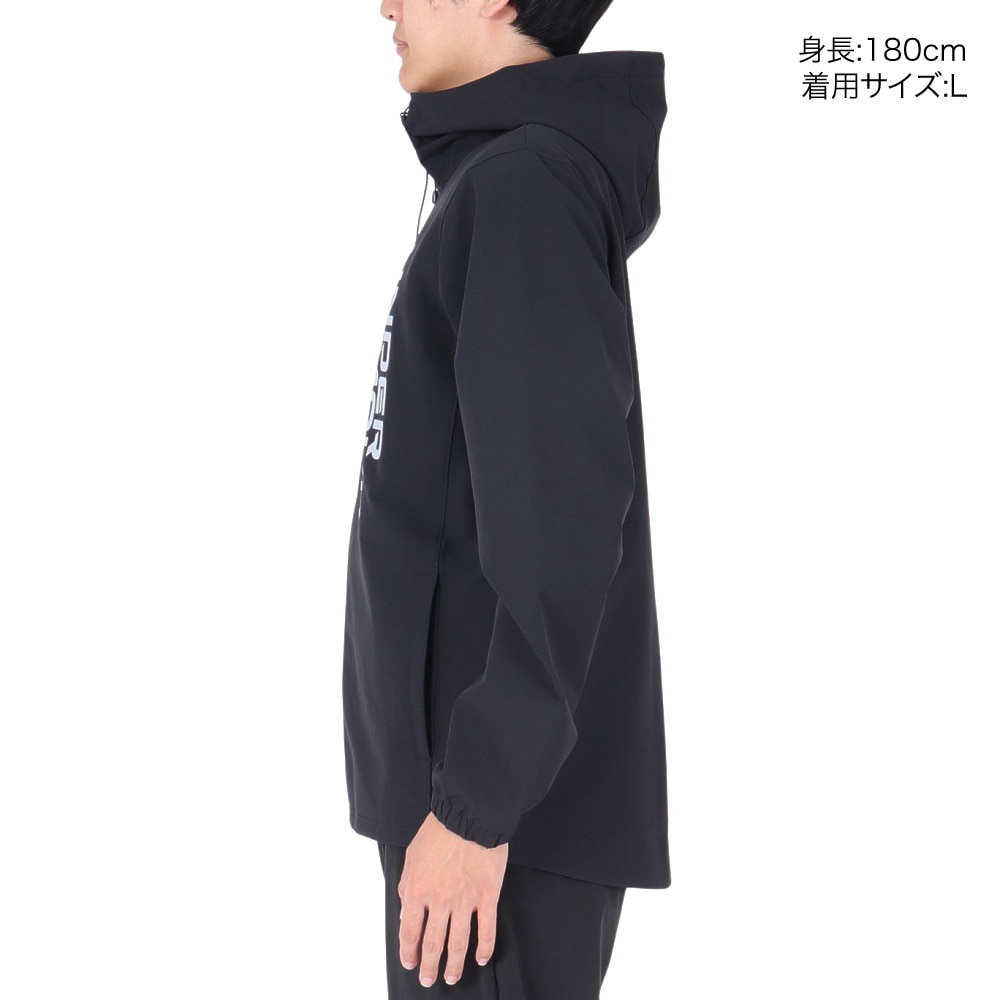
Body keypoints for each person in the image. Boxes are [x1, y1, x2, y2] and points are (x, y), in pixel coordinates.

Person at [342, 1, 671, 995]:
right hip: (472, 803)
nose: (386, 4)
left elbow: (564, 516)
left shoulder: (525, 185)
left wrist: (477, 806)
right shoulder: (498, 179)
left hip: (494, 824)